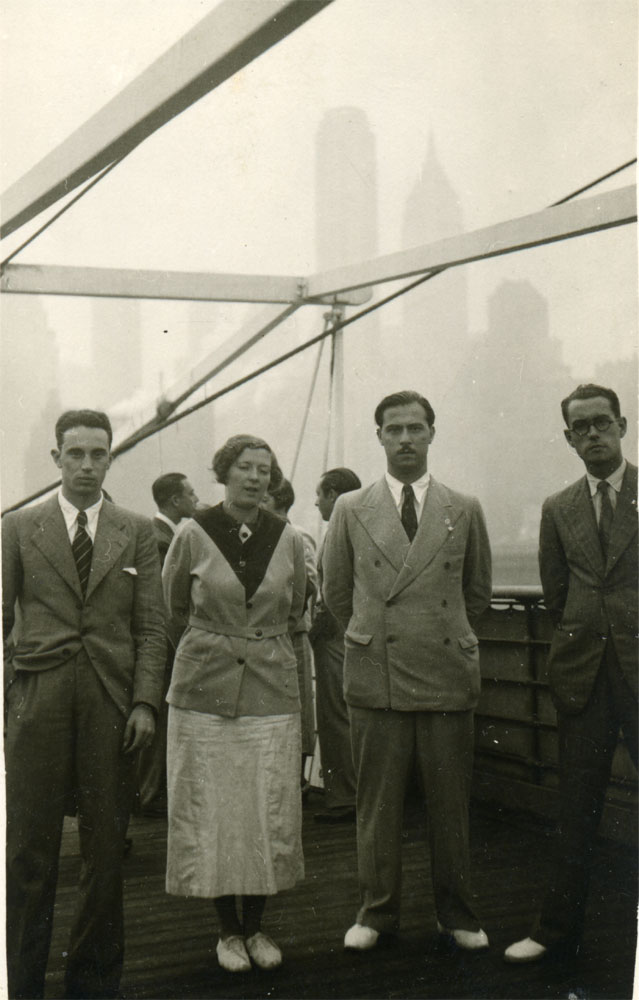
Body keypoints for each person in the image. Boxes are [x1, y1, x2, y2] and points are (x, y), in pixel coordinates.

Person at [3, 409, 166, 1000]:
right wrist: (11, 695)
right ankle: (21, 985)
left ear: (110, 458)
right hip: (36, 702)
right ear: (56, 459)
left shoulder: (137, 530)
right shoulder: (20, 528)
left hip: (111, 706)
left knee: (104, 852)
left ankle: (92, 986)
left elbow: (151, 627)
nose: (87, 466)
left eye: (99, 454)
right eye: (75, 454)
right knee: (27, 853)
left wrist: (145, 701)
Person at [322, 390, 492, 952]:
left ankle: (457, 914)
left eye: (415, 428)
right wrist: (371, 637)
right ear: (379, 438)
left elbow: (477, 593)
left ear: (432, 433)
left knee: (451, 807)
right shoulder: (351, 508)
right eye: (393, 429)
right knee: (377, 805)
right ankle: (376, 914)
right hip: (379, 677)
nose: (405, 440)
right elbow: (337, 593)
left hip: (444, 673)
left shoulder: (462, 506)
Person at [162, 434, 307, 973]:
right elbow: (173, 604)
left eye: (264, 470)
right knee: (218, 810)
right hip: (205, 689)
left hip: (270, 688)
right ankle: (227, 932)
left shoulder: (287, 537)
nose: (254, 478)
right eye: (244, 467)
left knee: (265, 807)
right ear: (224, 473)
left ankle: (257, 927)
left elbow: (297, 608)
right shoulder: (193, 533)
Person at [504, 384, 638, 964]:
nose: (592, 435)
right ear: (568, 438)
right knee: (575, 809)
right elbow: (556, 598)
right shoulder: (558, 507)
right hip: (585, 677)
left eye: (601, 424)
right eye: (580, 427)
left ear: (623, 426)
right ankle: (555, 930)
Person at [137, 472, 200, 816]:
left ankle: (151, 792)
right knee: (158, 718)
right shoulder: (161, 539)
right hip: (163, 645)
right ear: (175, 501)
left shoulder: (166, 535)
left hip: (164, 643)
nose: (196, 498)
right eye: (190, 493)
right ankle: (148, 795)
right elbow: (165, 600)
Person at [310, 467, 361, 823]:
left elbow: (332, 589)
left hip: (334, 635)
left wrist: (322, 623)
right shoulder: (363, 527)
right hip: (354, 634)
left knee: (334, 714)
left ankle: (343, 796)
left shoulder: (335, 533)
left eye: (320, 494)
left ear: (333, 494)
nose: (316, 502)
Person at [262, 477, 317, 785]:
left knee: (296, 703)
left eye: (265, 501)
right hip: (267, 633)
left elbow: (309, 581)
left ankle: (297, 776)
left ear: (280, 503)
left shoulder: (297, 535)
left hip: (292, 632)